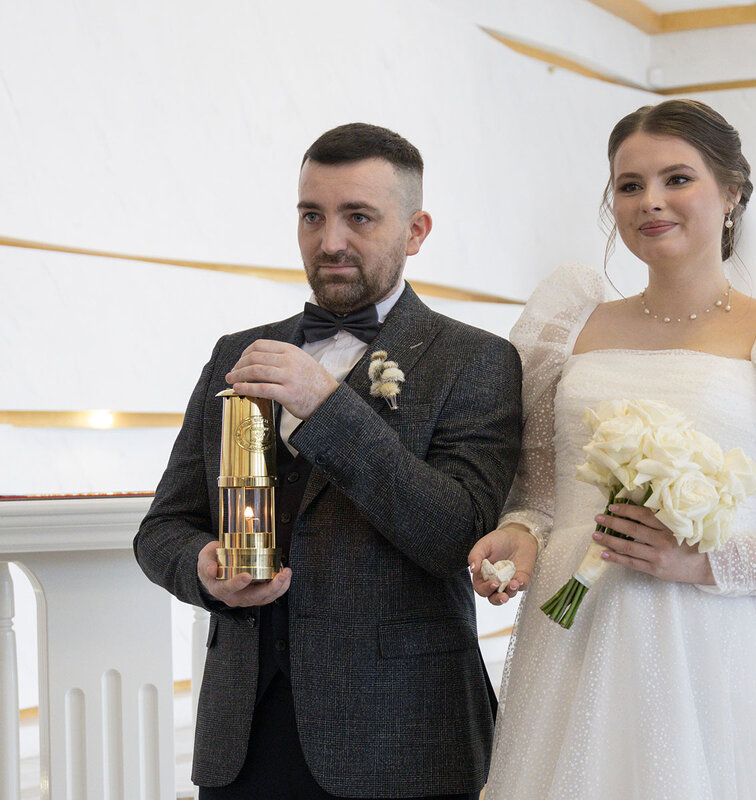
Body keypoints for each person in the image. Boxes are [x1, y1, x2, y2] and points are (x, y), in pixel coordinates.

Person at [468, 100, 756, 799]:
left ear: (731, 194)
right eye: (630, 185)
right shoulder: (566, 326)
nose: (651, 201)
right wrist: (519, 533)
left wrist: (702, 562)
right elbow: (540, 495)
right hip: (576, 651)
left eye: (677, 179)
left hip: (718, 653)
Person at [135, 122, 523, 800]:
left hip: (405, 738)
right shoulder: (237, 351)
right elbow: (162, 527)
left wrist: (327, 406)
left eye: (358, 217)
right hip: (242, 738)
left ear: (416, 231)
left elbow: (456, 533)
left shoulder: (477, 359)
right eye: (311, 216)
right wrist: (204, 568)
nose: (330, 241)